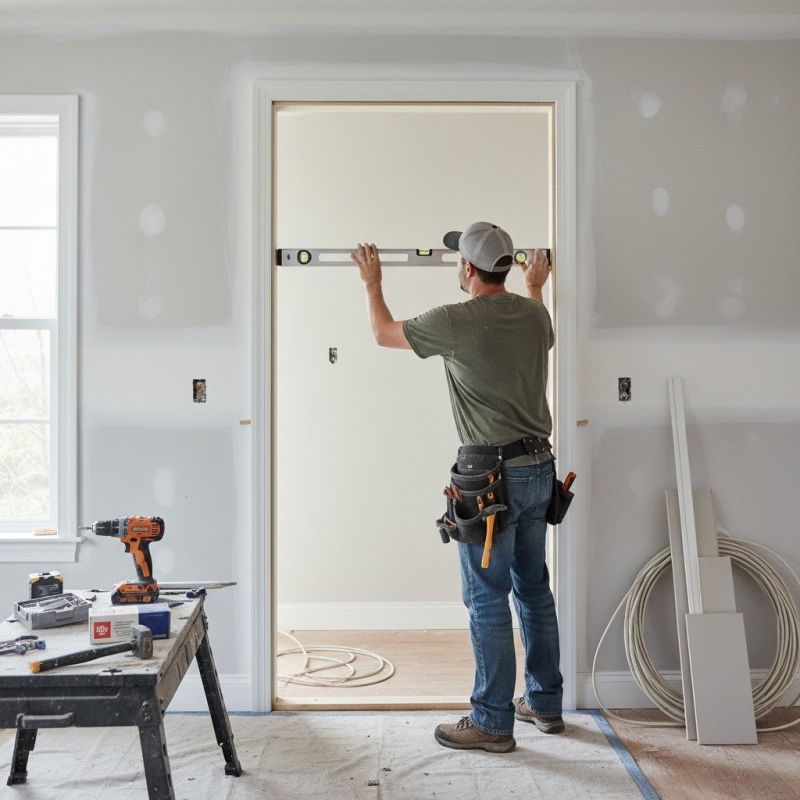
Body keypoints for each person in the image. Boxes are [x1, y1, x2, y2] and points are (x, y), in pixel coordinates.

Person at [351, 221, 563, 754]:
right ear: (508, 267)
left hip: (489, 479)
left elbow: (382, 333)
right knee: (533, 588)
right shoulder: (536, 315)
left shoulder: (455, 321)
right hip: (540, 469)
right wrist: (536, 284)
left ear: (467, 269)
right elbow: (538, 318)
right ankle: (544, 703)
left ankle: (492, 721)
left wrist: (372, 283)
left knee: (486, 598)